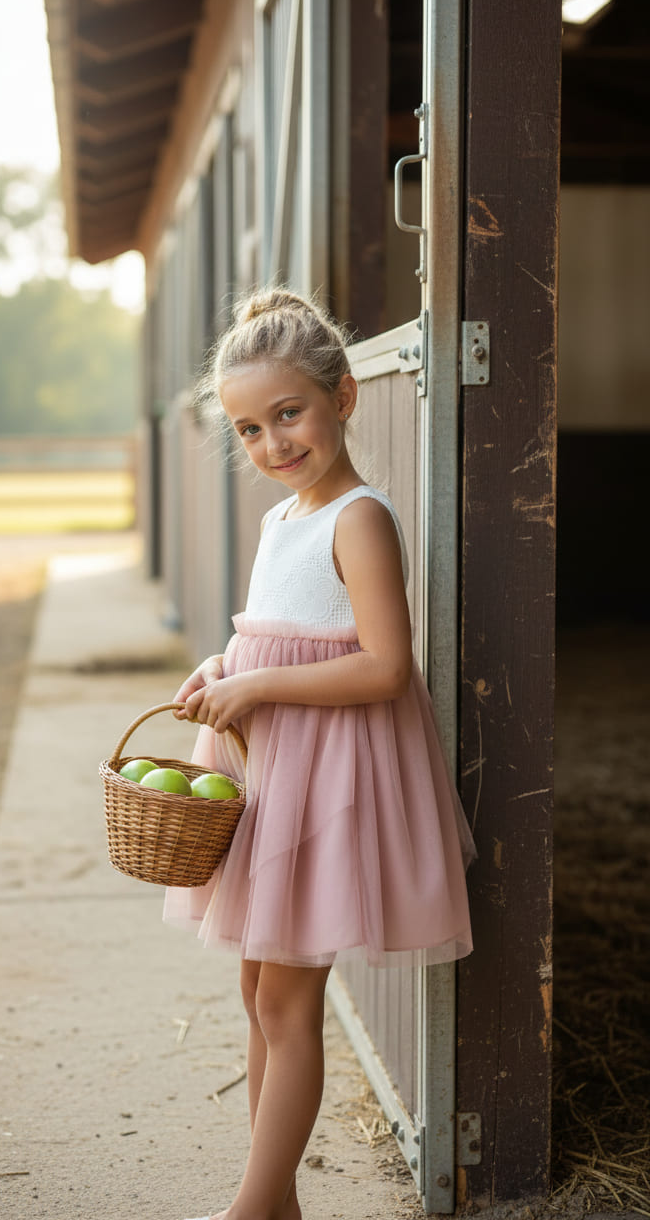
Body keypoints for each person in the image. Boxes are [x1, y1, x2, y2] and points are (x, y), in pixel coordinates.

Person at [163, 288, 475, 1220]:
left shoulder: (360, 518)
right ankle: (276, 1201)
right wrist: (224, 663)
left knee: (289, 1005)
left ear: (343, 396)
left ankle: (255, 1210)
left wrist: (253, 688)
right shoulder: (281, 521)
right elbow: (281, 632)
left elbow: (382, 667)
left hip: (328, 781)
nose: (272, 445)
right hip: (272, 780)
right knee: (261, 993)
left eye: (287, 415)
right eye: (249, 430)